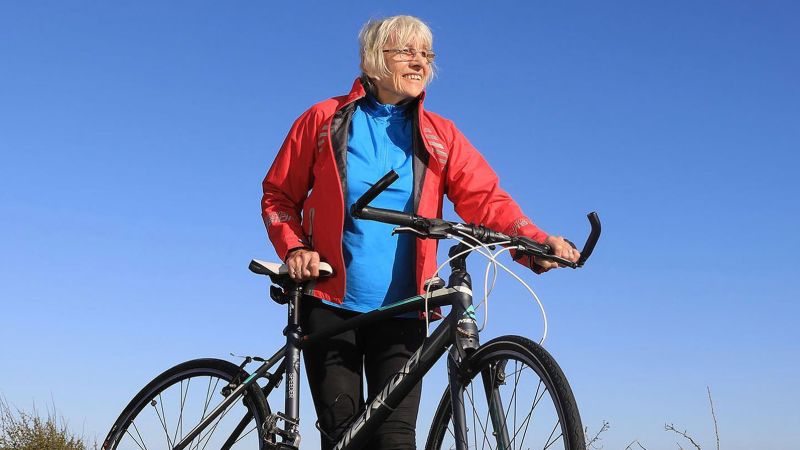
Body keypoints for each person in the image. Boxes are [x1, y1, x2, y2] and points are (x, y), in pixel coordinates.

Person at [261, 15, 579, 450]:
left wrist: (534, 241)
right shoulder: (324, 119)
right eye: (406, 52)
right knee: (343, 435)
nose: (420, 62)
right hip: (329, 299)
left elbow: (486, 199)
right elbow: (278, 195)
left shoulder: (440, 134)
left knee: (395, 439)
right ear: (374, 59)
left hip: (407, 307)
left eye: (426, 54)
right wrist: (295, 248)